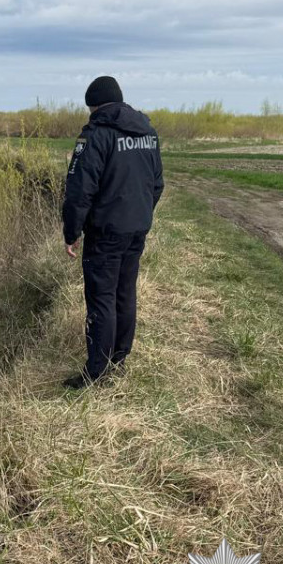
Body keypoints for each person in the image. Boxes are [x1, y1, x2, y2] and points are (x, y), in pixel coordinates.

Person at [61, 76, 165, 389]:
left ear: (93, 106)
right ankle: (119, 359)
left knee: (102, 298)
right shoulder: (147, 132)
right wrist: (141, 215)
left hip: (105, 231)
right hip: (136, 229)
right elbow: (157, 183)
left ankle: (96, 372)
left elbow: (79, 190)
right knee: (124, 292)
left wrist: (71, 232)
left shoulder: (96, 135)